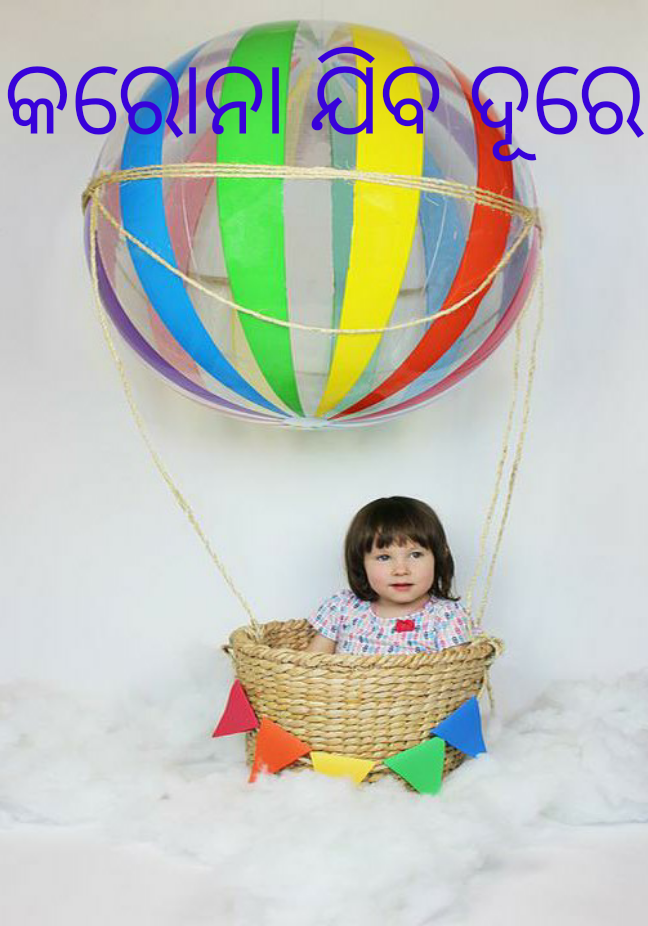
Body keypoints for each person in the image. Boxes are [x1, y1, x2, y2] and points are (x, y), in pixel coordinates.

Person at [305, 496, 472, 655]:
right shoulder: (342, 608)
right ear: (361, 563)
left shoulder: (445, 616)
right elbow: (311, 667)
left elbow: (455, 671)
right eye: (384, 557)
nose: (401, 570)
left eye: (415, 555)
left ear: (439, 557)